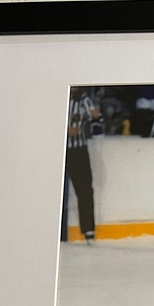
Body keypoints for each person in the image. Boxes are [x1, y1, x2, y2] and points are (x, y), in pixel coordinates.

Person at [64, 87, 104, 243]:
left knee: (85, 190)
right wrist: (63, 130)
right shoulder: (55, 94)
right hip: (56, 150)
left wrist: (94, 119)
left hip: (77, 150)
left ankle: (88, 230)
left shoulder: (83, 100)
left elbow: (96, 118)